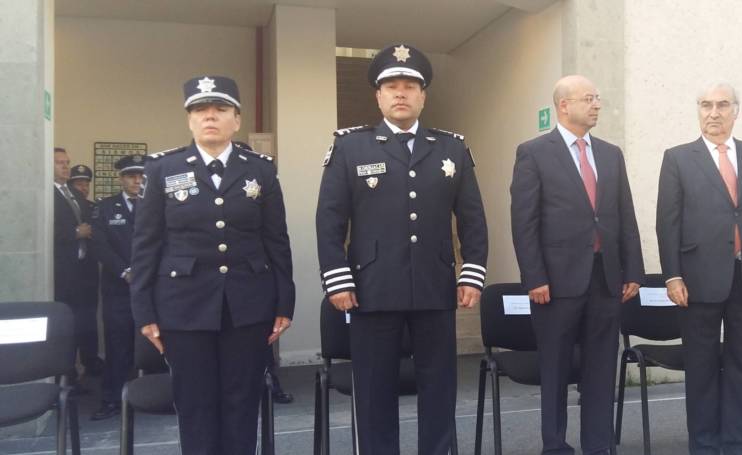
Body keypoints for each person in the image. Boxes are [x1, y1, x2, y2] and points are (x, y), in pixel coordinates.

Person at [316, 43, 488, 455]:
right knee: (375, 390)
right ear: (378, 95)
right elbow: (330, 220)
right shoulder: (350, 147)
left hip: (434, 285)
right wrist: (337, 279)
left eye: (409, 86)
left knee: (439, 386)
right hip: (372, 288)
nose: (400, 93)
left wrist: (472, 272)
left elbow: (472, 217)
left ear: (423, 95)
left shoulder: (451, 148)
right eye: (391, 85)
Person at [130, 75, 295, 455]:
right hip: (183, 306)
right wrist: (144, 311)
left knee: (242, 401)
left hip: (248, 306)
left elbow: (276, 241)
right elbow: (145, 245)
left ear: (236, 120)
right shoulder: (162, 170)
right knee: (194, 404)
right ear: (189, 119)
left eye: (220, 109)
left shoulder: (261, 170)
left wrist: (284, 302)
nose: (210, 117)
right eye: (200, 110)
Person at [510, 74, 644, 455]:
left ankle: (599, 445)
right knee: (554, 368)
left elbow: (624, 216)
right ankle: (555, 445)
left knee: (601, 369)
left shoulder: (610, 153)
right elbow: (525, 222)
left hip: (606, 279)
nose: (597, 104)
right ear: (564, 105)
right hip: (555, 282)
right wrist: (534, 276)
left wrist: (633, 270)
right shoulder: (534, 152)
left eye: (598, 98)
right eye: (589, 98)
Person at [656, 82, 742, 454]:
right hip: (697, 280)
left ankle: (739, 440)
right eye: (705, 105)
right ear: (698, 110)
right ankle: (704, 443)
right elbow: (667, 221)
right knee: (701, 366)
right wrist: (673, 275)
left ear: (736, 111)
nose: (714, 112)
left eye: (722, 105)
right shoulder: (678, 158)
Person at [89, 154, 145, 420]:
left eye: (141, 175)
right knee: (118, 345)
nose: (137, 180)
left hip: (151, 287)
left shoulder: (159, 205)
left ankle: (155, 396)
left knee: (158, 344)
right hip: (118, 288)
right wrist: (124, 271)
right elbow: (99, 245)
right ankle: (112, 399)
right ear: (121, 179)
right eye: (131, 176)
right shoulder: (105, 208)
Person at [53, 148, 103, 381]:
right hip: (64, 273)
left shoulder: (73, 193)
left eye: (67, 162)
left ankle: (90, 364)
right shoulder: (46, 193)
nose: (65, 166)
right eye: (59, 163)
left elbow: (90, 221)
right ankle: (67, 372)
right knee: (66, 324)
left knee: (86, 320)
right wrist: (75, 232)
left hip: (85, 271)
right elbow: (42, 230)